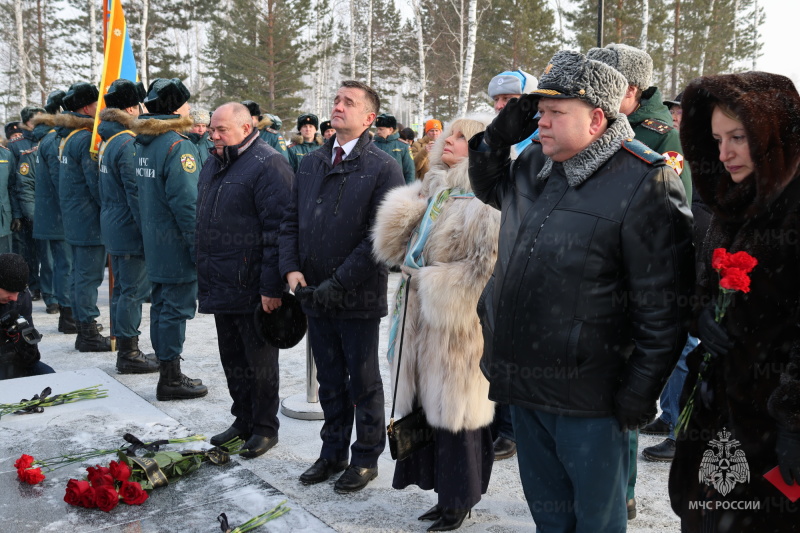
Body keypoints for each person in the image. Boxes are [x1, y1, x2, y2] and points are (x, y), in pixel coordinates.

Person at [468, 50, 694, 532]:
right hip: (523, 381)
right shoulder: (535, 161)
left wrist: (638, 393)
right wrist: (493, 138)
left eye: (554, 113)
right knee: (549, 518)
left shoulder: (645, 179)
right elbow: (491, 190)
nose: (540, 123)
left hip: (591, 396)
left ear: (596, 118)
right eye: (539, 112)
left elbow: (664, 310)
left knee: (596, 522)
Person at [669, 72, 800, 531]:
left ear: (772, 134)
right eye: (717, 139)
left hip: (769, 421)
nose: (724, 154)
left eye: (738, 137)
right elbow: (702, 285)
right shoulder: (730, 202)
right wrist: (701, 315)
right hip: (717, 412)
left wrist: (792, 419)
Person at [373, 115, 498, 531]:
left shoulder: (484, 199)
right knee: (426, 410)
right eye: (451, 134)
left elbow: (485, 268)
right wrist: (410, 207)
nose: (450, 141)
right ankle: (442, 493)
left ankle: (459, 499)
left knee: (458, 416)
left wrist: (428, 282)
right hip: (418, 323)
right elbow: (391, 249)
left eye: (464, 137)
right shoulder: (434, 193)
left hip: (456, 329)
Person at [280, 80, 404, 493]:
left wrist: (338, 283)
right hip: (313, 292)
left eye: (348, 102)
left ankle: (365, 457)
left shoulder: (383, 167)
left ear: (369, 118)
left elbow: (378, 238)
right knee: (329, 379)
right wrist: (291, 268)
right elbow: (290, 220)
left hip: (357, 296)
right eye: (336, 100)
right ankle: (332, 452)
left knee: (363, 381)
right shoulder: (312, 162)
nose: (337, 106)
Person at [587, 43, 694, 516]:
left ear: (631, 89)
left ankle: (622, 493)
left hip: (630, 283)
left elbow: (672, 212)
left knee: (623, 398)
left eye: (608, 85)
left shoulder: (658, 134)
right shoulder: (616, 126)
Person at [198, 102, 293, 458]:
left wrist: (272, 286)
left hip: (254, 286)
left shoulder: (268, 164)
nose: (214, 134)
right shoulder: (214, 162)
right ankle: (243, 419)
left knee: (260, 362)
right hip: (221, 280)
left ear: (246, 127)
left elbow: (280, 230)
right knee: (232, 358)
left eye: (222, 129)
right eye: (212, 129)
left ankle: (265, 427)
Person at [132, 78, 207, 401]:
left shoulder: (143, 142)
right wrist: (198, 249)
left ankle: (167, 369)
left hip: (155, 241)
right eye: (186, 103)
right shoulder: (178, 145)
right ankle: (171, 378)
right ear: (176, 107)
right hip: (176, 245)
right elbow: (187, 204)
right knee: (175, 309)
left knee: (161, 307)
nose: (190, 110)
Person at [641, 87, 702, 464]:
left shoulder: (700, 150)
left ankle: (682, 429)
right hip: (686, 249)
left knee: (686, 347)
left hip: (694, 251)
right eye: (675, 111)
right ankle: (669, 417)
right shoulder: (689, 146)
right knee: (675, 344)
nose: (676, 117)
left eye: (683, 113)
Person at [98, 79, 158, 374]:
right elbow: (136, 193)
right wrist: (148, 229)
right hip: (129, 228)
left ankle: (125, 347)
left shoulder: (110, 140)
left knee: (122, 289)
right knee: (131, 291)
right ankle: (129, 353)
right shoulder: (127, 143)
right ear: (131, 107)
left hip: (113, 224)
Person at [57, 82, 112, 352]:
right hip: (89, 219)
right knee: (89, 277)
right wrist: (111, 207)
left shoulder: (69, 136)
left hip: (75, 216)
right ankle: (88, 331)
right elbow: (94, 183)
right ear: (88, 107)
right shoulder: (85, 138)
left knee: (80, 275)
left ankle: (83, 327)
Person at [30, 90, 76, 329]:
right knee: (66, 265)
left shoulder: (47, 138)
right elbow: (63, 182)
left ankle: (67, 311)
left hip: (54, 213)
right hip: (61, 214)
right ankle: (67, 314)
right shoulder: (54, 140)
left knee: (62, 263)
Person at [10, 106, 45, 301]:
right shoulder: (16, 145)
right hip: (24, 206)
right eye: (38, 120)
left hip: (44, 204)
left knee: (46, 252)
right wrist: (19, 212)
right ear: (28, 122)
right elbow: (14, 183)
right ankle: (33, 285)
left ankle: (46, 286)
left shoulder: (46, 139)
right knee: (28, 251)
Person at [0, 253, 50, 380]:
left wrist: (30, 352)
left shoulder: (22, 296)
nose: (15, 298)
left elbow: (28, 331)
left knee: (49, 376)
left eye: (18, 291)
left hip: (12, 363)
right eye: (10, 291)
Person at [488, 69, 538, 161]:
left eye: (507, 98)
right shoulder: (488, 135)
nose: (498, 106)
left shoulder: (545, 138)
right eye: (496, 99)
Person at [373, 113, 414, 184]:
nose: (378, 131)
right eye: (377, 129)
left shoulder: (403, 146)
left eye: (381, 129)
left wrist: (408, 191)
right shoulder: (372, 145)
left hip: (396, 189)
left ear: (390, 130)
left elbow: (409, 171)